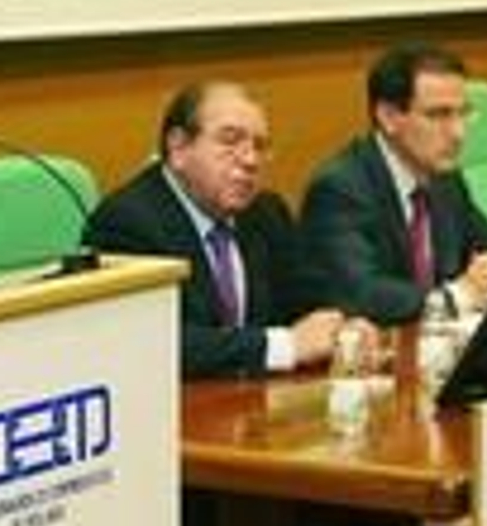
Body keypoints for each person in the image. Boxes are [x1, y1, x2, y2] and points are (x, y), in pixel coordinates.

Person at [83, 81, 351, 377]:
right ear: (178, 147)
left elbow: (310, 296)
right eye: (230, 141)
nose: (250, 160)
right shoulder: (127, 221)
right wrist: (283, 346)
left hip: (252, 404)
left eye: (259, 146)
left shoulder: (265, 212)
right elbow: (154, 342)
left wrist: (343, 327)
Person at [300, 42, 487, 327]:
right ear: (389, 117)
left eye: (463, 113)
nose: (458, 133)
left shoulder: (445, 179)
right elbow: (361, 294)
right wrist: (456, 296)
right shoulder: (340, 189)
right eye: (439, 115)